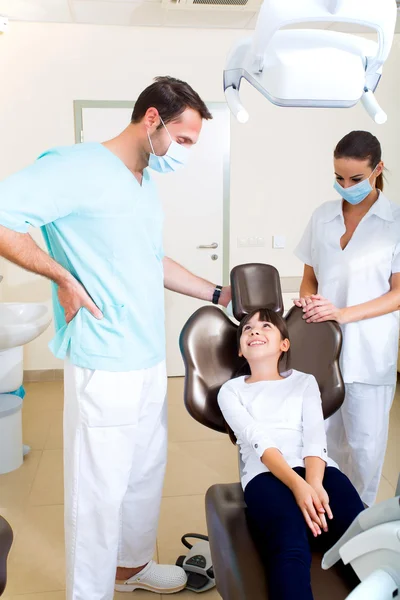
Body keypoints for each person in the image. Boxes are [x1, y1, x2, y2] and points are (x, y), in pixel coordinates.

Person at [0, 76, 231, 599]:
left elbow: (151, 263)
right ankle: (91, 591)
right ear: (152, 120)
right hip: (104, 359)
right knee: (98, 490)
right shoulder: (75, 166)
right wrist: (61, 276)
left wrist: (219, 295)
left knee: (144, 475)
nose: (186, 154)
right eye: (185, 140)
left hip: (147, 355)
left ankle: (130, 569)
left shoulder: (143, 180)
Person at [218, 308, 364, 600]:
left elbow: (314, 436)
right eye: (247, 329)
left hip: (320, 471)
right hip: (265, 476)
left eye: (266, 326)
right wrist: (298, 487)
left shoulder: (304, 382)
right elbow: (259, 442)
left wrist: (315, 484)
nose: (255, 331)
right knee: (289, 544)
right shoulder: (231, 391)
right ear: (239, 350)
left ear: (284, 344)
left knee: (359, 540)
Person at [294, 130, 400, 507]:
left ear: (378, 169)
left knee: (365, 452)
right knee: (319, 444)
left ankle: (357, 531)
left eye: (355, 178)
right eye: (338, 177)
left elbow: (398, 293)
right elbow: (310, 277)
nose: (345, 186)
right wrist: (309, 302)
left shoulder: (395, 222)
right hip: (322, 354)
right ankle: (323, 522)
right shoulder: (322, 216)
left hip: (369, 355)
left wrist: (342, 314)